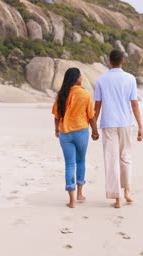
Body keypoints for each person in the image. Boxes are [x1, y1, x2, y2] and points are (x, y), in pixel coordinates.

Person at [94, 49, 143, 209]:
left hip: (108, 123)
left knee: (111, 159)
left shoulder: (101, 79)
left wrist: (93, 126)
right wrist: (140, 126)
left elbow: (97, 105)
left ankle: (117, 198)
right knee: (125, 157)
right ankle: (127, 191)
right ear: (122, 60)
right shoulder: (130, 79)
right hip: (125, 123)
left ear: (109, 61)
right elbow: (134, 103)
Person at [52, 68, 99, 208]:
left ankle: (72, 200)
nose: (82, 78)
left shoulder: (61, 94)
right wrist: (95, 132)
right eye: (80, 76)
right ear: (77, 78)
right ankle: (79, 194)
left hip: (65, 133)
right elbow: (91, 117)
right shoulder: (85, 94)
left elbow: (56, 115)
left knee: (69, 164)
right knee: (81, 161)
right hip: (81, 132)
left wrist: (57, 130)